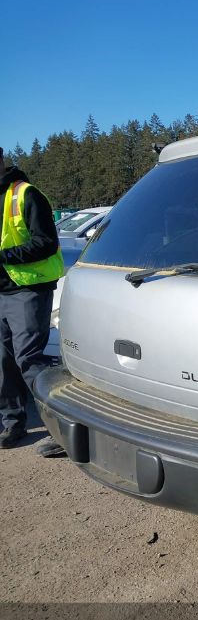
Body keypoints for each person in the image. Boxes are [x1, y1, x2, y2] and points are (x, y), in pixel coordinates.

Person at [0, 147, 65, 456]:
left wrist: (4, 257)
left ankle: (63, 428)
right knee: (3, 361)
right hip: (2, 292)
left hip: (28, 290)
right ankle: (12, 422)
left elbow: (47, 242)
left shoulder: (25, 194)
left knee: (28, 359)